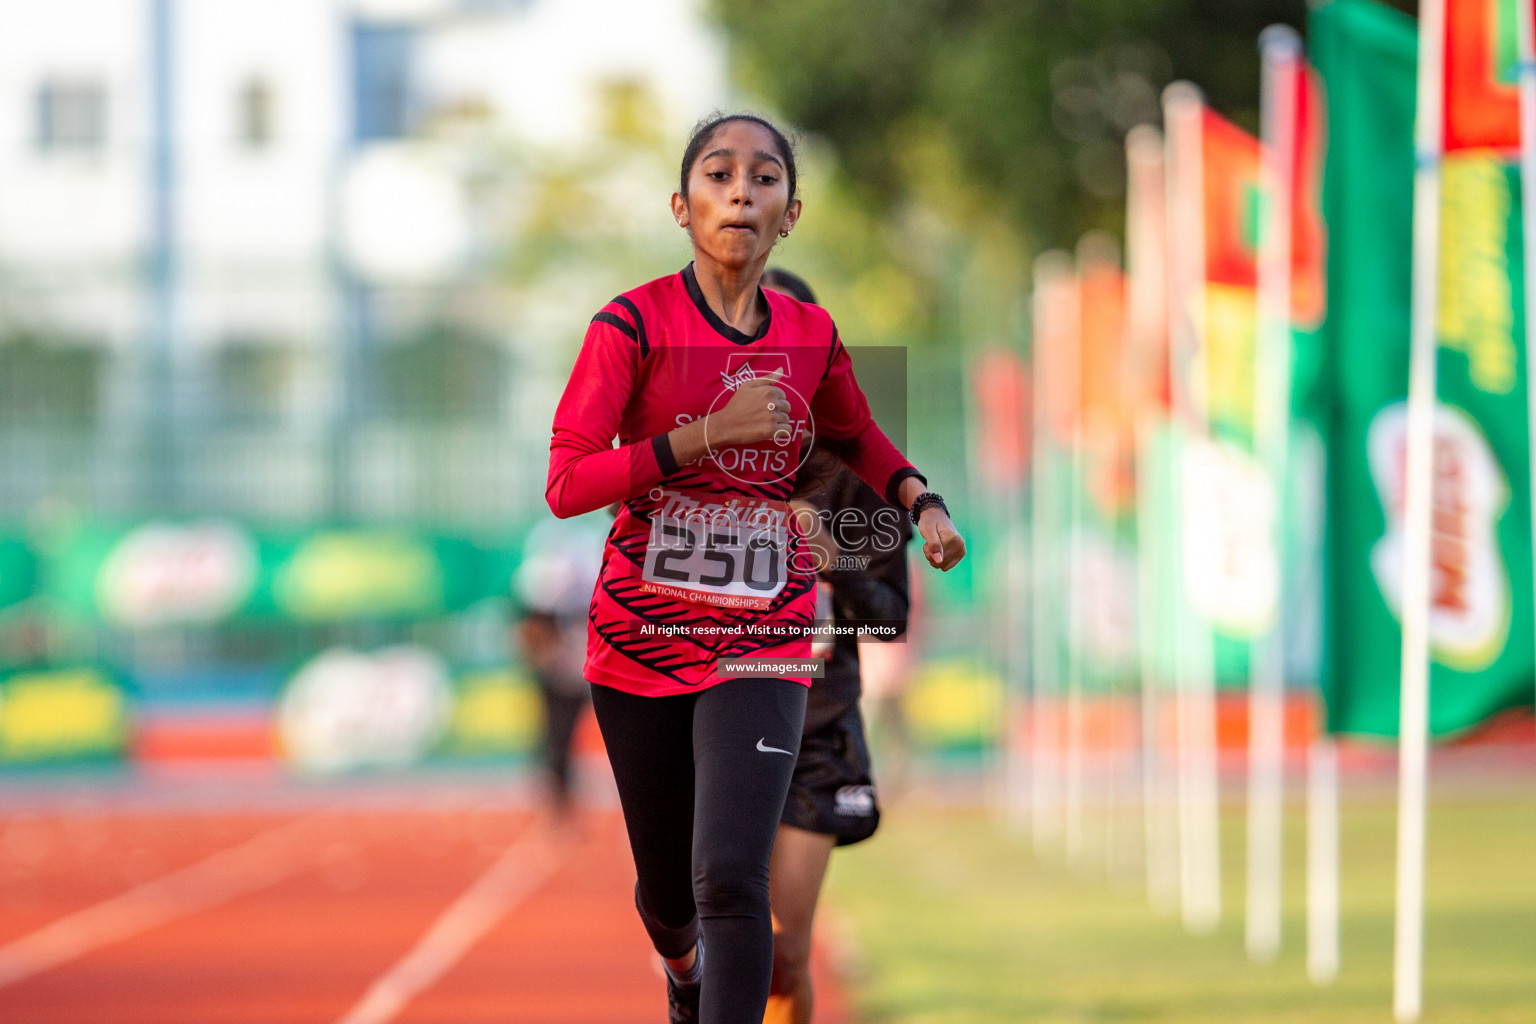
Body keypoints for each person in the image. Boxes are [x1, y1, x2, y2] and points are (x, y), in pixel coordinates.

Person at [545, 112, 965, 1024]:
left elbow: (857, 432)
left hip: (763, 635)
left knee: (732, 878)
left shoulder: (812, 333)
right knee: (669, 897)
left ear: (792, 211)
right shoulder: (629, 325)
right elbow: (568, 483)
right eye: (720, 173)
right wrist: (703, 436)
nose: (742, 191)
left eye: (764, 177)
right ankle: (682, 969)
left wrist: (920, 501)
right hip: (642, 638)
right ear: (681, 204)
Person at [758, 268, 910, 1024]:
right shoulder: (695, 464)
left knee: (785, 951)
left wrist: (832, 558)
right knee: (715, 941)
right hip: (715, 716)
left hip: (815, 730)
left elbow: (889, 620)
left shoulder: (861, 476)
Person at [511, 517, 604, 816]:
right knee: (557, 738)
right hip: (569, 662)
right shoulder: (549, 568)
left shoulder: (582, 555)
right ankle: (560, 803)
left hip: (595, 657)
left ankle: (561, 803)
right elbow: (532, 625)